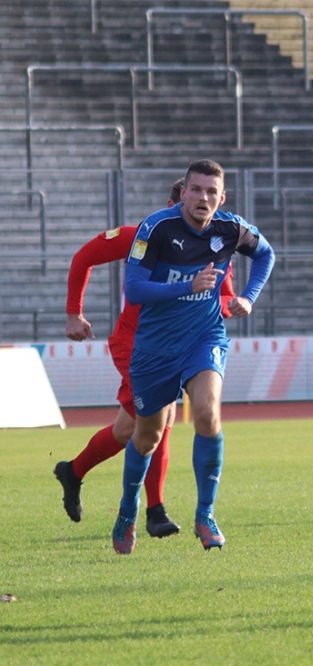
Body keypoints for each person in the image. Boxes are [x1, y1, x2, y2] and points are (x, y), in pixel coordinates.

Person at [54, 179, 237, 538]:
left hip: (184, 343)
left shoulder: (212, 244)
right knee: (161, 415)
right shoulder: (141, 235)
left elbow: (225, 294)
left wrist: (230, 303)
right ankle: (155, 510)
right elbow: (84, 257)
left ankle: (72, 471)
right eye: (178, 207)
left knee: (129, 429)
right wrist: (74, 313)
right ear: (172, 205)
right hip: (136, 343)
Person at [111, 159, 275, 555]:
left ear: (222, 197)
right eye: (196, 190)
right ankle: (128, 509)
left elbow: (266, 254)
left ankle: (206, 515)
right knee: (147, 437)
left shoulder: (231, 229)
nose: (203, 197)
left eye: (211, 191)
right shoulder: (157, 228)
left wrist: (248, 297)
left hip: (204, 337)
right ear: (183, 193)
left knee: (206, 413)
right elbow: (134, 289)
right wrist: (188, 285)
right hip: (155, 347)